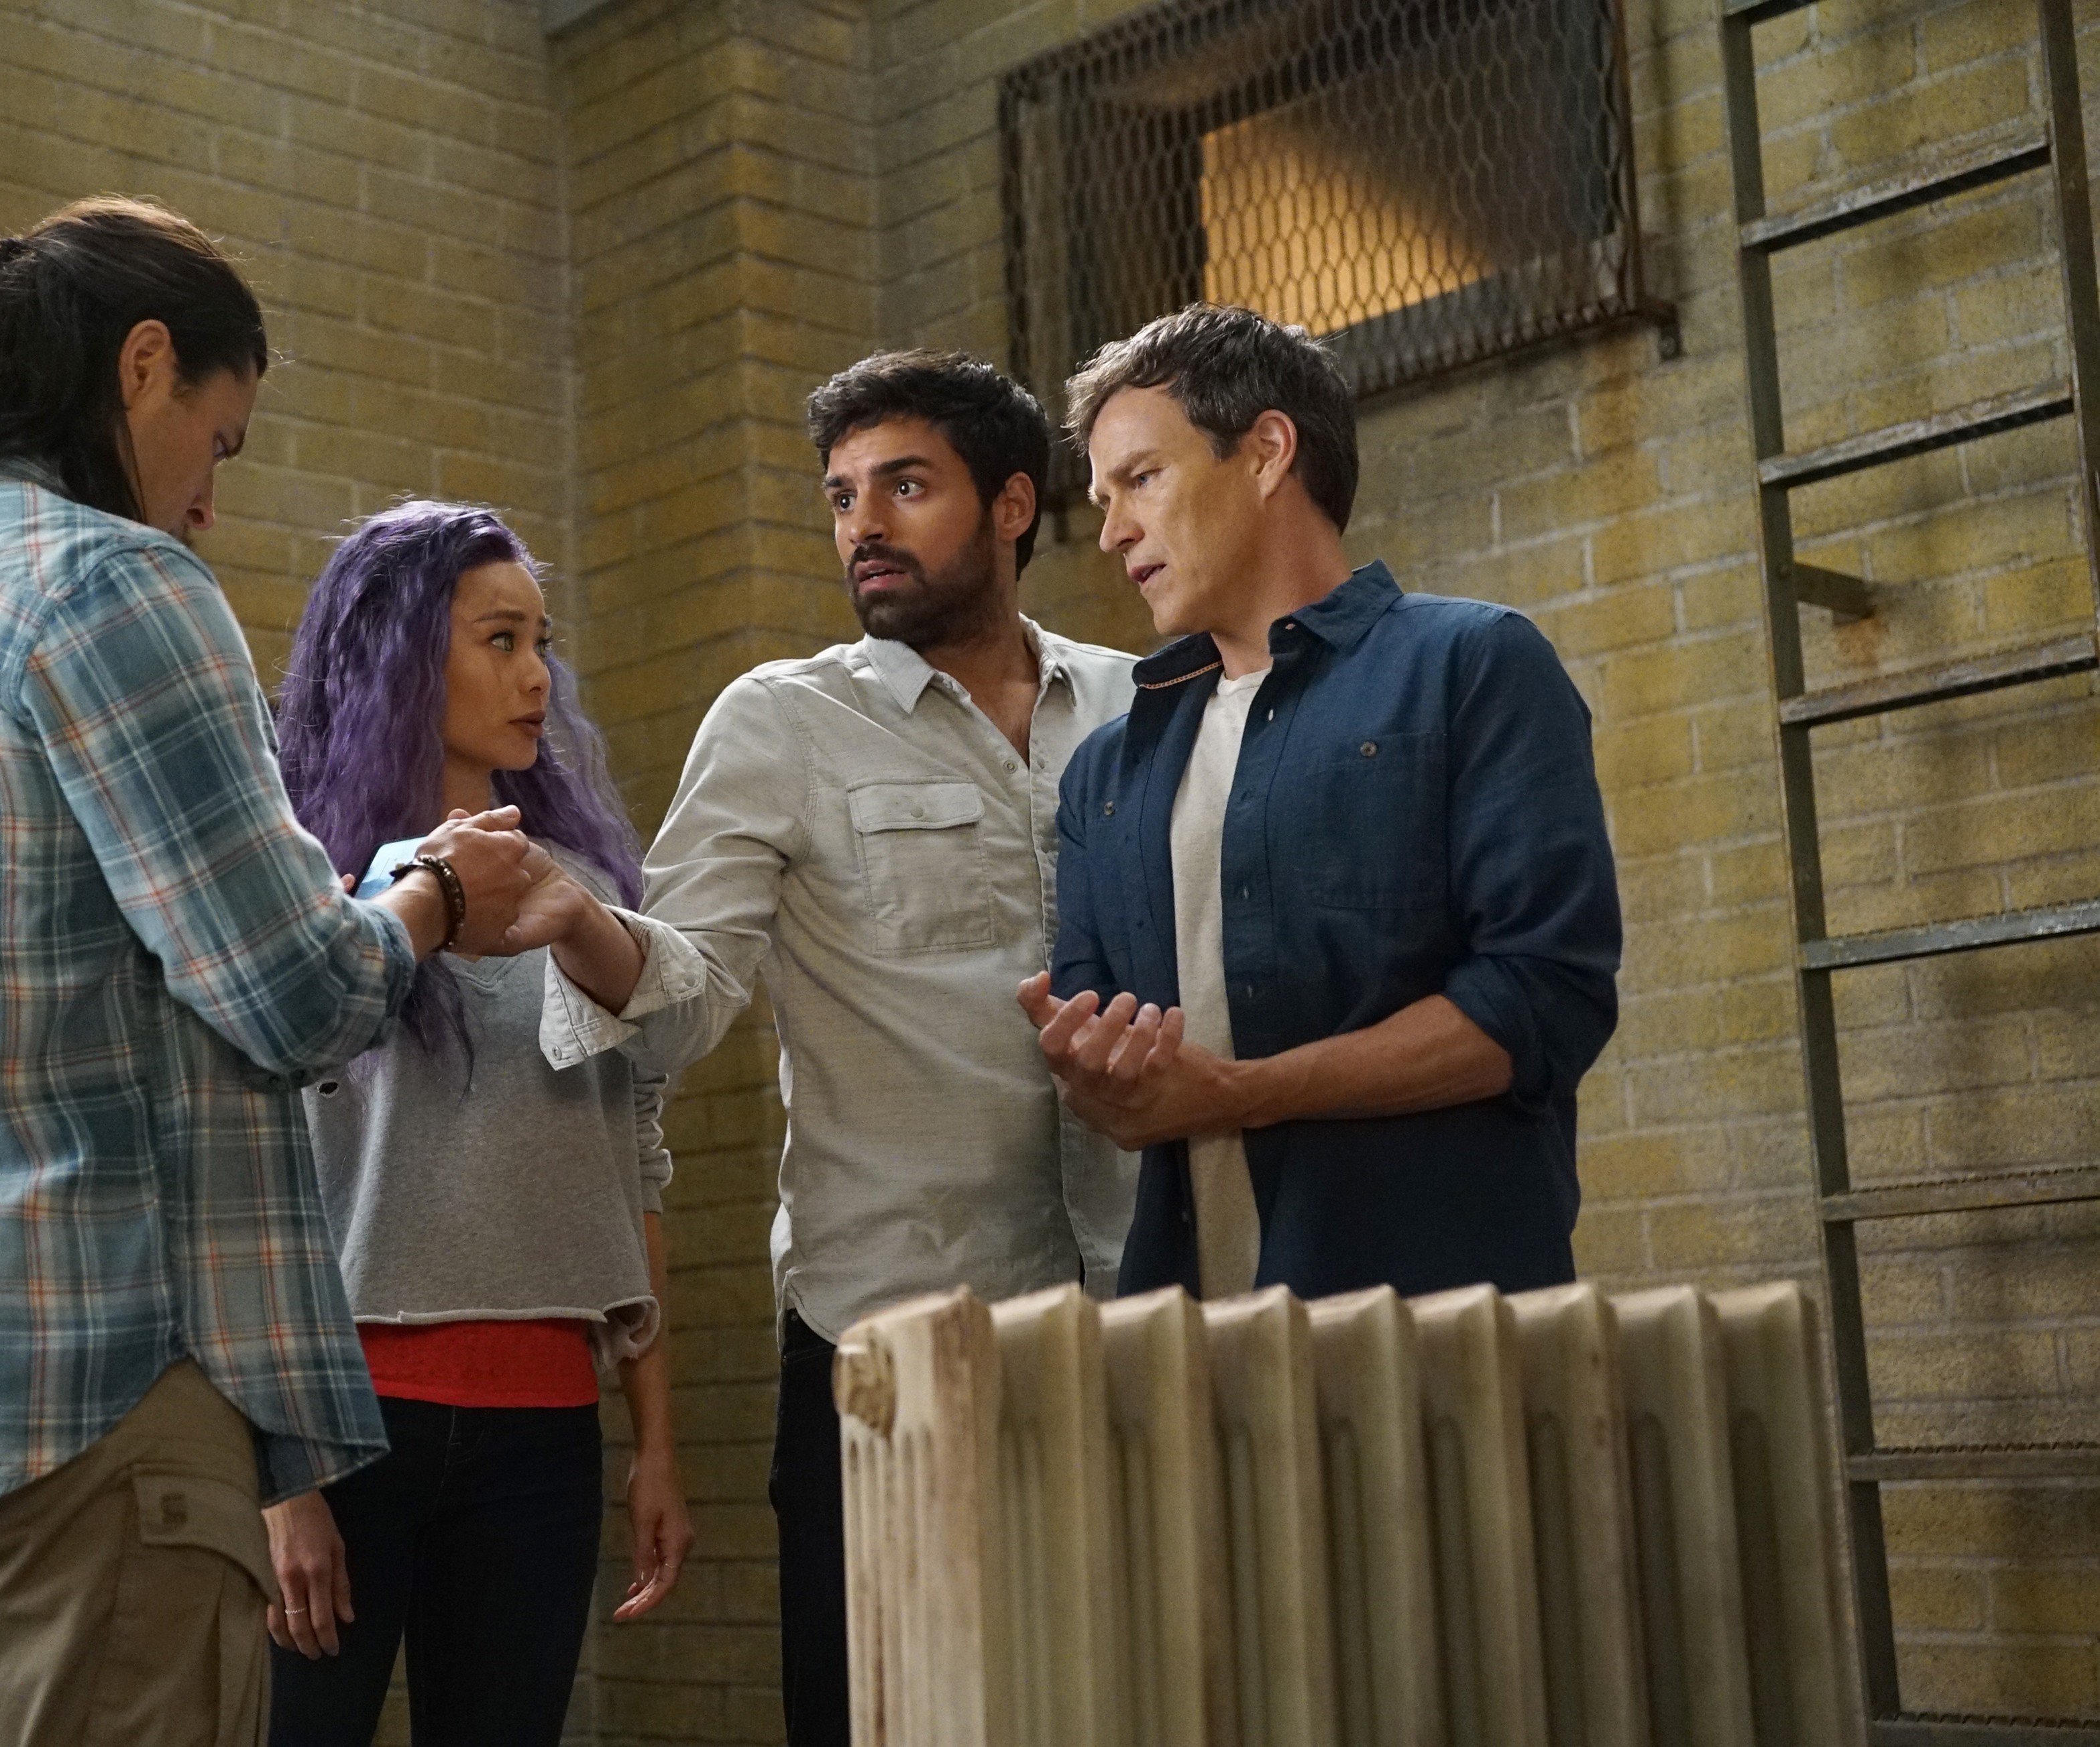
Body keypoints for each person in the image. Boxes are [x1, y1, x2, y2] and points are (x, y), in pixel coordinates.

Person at [0, 198, 542, 1747]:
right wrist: (429, 892)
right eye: (218, 444)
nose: (207, 504)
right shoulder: (110, 583)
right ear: (144, 364)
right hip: (75, 1397)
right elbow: (295, 991)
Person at [540, 350, 1140, 1746]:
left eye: (904, 486)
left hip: (1132, 1311)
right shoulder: (781, 720)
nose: (863, 523)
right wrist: (579, 927)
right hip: (885, 1333)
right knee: (884, 1718)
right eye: (841, 496)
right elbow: (680, 999)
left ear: (1011, 505)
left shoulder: (1139, 702)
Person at [1024, 303, 1622, 1303]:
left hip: (1436, 1324)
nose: (1113, 531)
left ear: (1266, 452)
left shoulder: (1472, 665)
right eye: (1102, 497)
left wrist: (1244, 1093)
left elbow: (1542, 998)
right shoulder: (1106, 773)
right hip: (1190, 1337)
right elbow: (1112, 1070)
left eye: (1142, 478)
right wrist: (1095, 1070)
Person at [256, 501, 696, 1746]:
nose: (537, 676)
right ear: (401, 656)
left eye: (542, 642)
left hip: (543, 1431)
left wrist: (655, 1440)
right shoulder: (306, 889)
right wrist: (279, 1478)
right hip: (342, 1426)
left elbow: (635, 1159)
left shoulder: (587, 896)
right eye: (501, 640)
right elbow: (247, 1182)